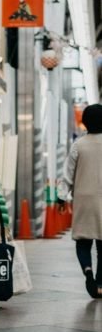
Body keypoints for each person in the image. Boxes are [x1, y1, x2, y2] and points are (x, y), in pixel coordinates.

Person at [58, 103, 102, 298]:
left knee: (83, 241)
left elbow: (68, 174)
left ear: (85, 122)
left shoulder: (79, 145)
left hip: (84, 199)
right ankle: (100, 284)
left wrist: (61, 196)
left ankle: (87, 271)